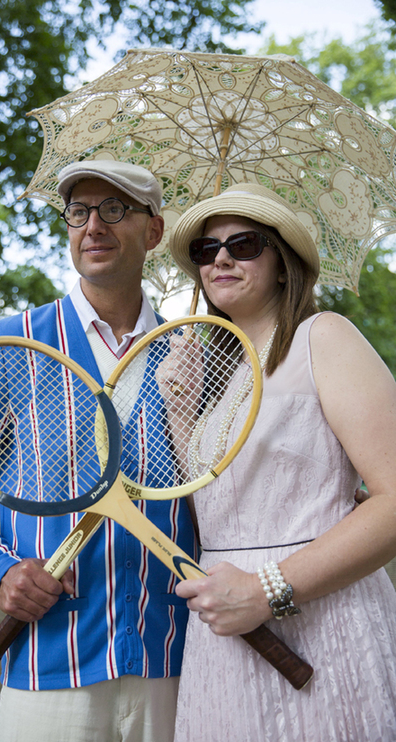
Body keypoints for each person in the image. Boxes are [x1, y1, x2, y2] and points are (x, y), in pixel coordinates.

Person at [0, 160, 197, 742]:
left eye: (114, 209)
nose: (93, 225)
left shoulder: (188, 354)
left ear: (153, 231)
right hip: (50, 663)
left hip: (173, 659)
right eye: (79, 211)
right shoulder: (17, 340)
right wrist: (0, 570)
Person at [163, 182, 396, 741]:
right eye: (205, 249)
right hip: (223, 642)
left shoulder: (326, 337)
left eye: (243, 245)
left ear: (284, 264)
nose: (219, 257)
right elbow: (216, 518)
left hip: (320, 629)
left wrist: (266, 590)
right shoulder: (215, 383)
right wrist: (178, 414)